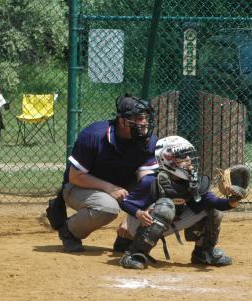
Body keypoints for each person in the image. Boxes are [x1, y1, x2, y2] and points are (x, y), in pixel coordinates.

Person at [49, 93, 158, 252]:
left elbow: (145, 180)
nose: (144, 123)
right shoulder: (95, 135)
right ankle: (69, 231)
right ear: (122, 121)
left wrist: (132, 217)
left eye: (146, 118)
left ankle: (126, 236)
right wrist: (109, 188)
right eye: (138, 118)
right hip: (79, 187)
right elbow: (75, 176)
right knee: (107, 207)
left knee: (156, 196)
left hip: (120, 186)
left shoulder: (148, 141)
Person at [117, 135, 241, 270]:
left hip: (167, 223)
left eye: (189, 155)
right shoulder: (151, 181)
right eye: (183, 156)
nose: (188, 159)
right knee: (165, 206)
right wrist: (139, 213)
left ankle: (204, 253)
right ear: (167, 159)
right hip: (141, 224)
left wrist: (233, 201)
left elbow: (214, 202)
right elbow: (125, 202)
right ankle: (134, 254)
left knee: (212, 210)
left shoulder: (192, 182)